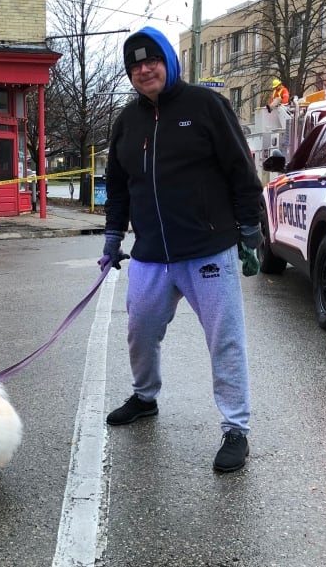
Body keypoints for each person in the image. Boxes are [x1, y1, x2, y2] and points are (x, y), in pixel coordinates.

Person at [99, 26, 263, 473]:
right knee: (141, 331)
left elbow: (241, 171)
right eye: (134, 65)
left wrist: (250, 228)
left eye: (151, 60)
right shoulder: (126, 121)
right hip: (151, 252)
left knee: (224, 340)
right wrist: (114, 238)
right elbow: (117, 187)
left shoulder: (207, 106)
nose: (143, 69)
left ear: (169, 62)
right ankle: (145, 397)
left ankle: (235, 429)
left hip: (207, 249)